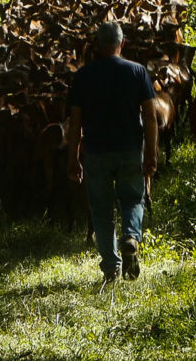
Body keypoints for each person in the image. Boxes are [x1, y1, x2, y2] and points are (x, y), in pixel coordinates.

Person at [67, 21, 158, 282]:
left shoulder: (82, 76)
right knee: (133, 199)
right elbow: (150, 117)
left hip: (96, 152)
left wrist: (73, 158)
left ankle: (110, 268)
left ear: (97, 46)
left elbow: (75, 122)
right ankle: (130, 236)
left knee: (101, 209)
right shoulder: (138, 72)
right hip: (130, 149)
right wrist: (151, 153)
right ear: (123, 43)